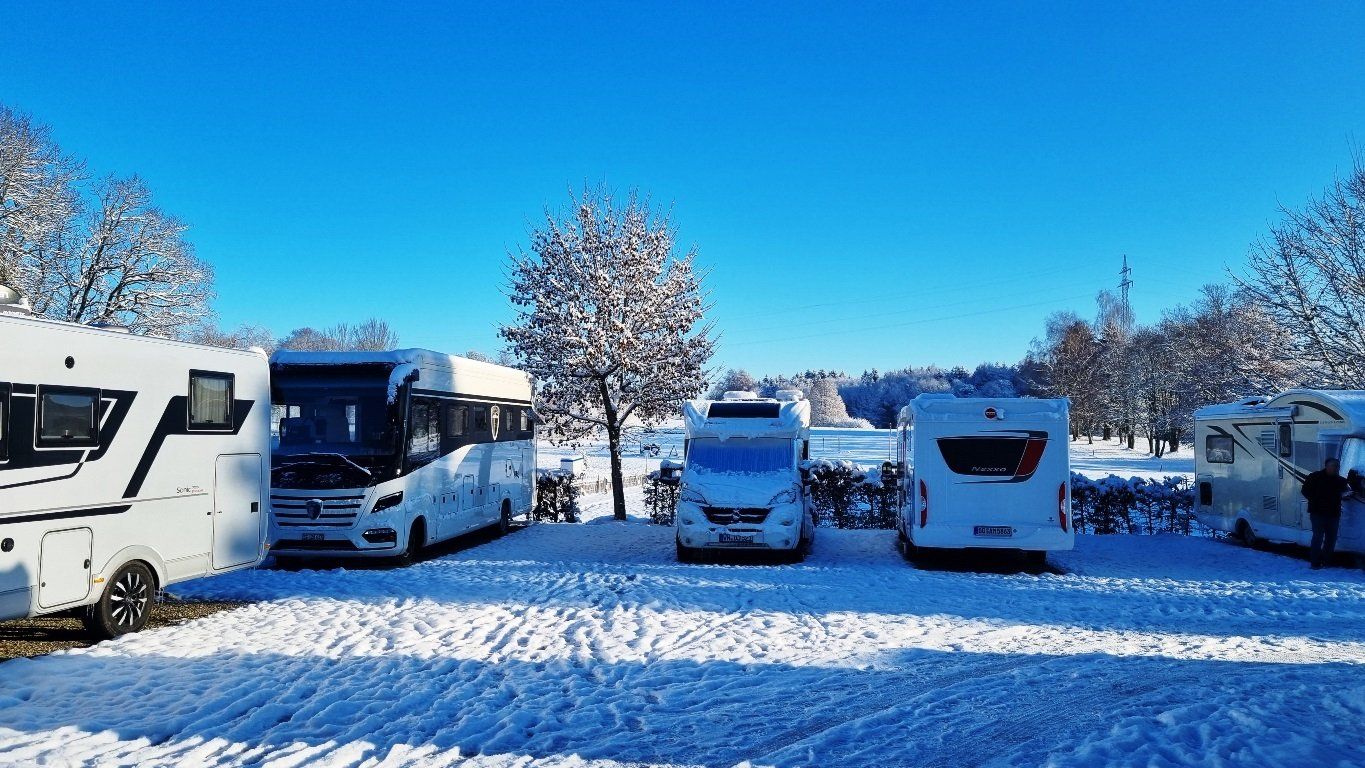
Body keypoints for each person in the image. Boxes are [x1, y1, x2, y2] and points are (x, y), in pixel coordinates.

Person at [1301, 458, 1351, 569]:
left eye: (1337, 466)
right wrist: (1315, 500)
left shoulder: (1341, 481)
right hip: (1317, 513)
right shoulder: (1315, 477)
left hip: (1334, 514)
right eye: (1333, 465)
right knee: (1318, 537)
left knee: (1331, 538)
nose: (1336, 468)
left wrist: (1347, 494)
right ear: (1326, 466)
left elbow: (1347, 492)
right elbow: (1304, 490)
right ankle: (1315, 562)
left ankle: (1327, 561)